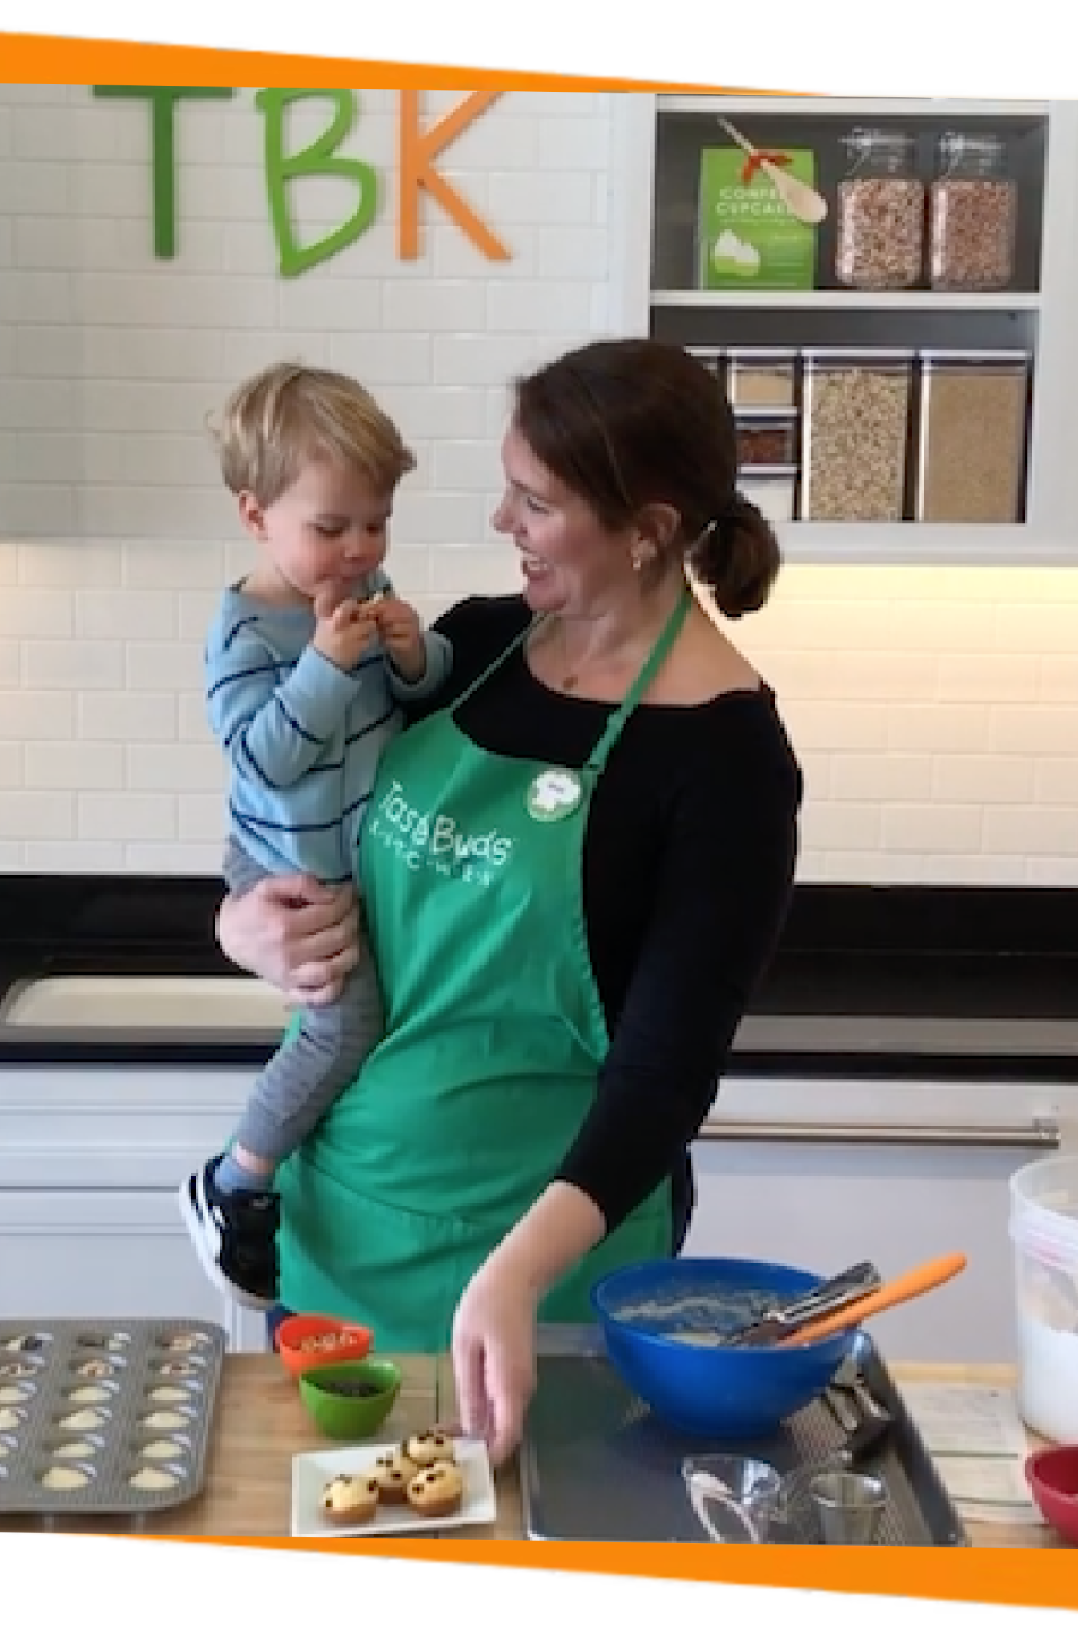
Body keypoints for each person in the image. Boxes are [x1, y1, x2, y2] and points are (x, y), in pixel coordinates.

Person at [212, 338, 805, 1464]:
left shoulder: (727, 765)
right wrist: (240, 923)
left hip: (543, 1278)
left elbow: (665, 1079)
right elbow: (292, 800)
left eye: (535, 502)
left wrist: (517, 1275)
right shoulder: (471, 647)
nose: (502, 522)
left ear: (648, 529)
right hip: (337, 1228)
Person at [179, 361, 454, 1313]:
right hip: (288, 859)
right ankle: (234, 1184)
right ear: (256, 516)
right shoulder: (245, 636)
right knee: (344, 1024)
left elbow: (413, 703)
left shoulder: (360, 585)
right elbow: (266, 758)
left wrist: (416, 655)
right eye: (331, 528)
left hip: (352, 851)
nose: (358, 549)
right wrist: (327, 668)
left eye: (376, 522)